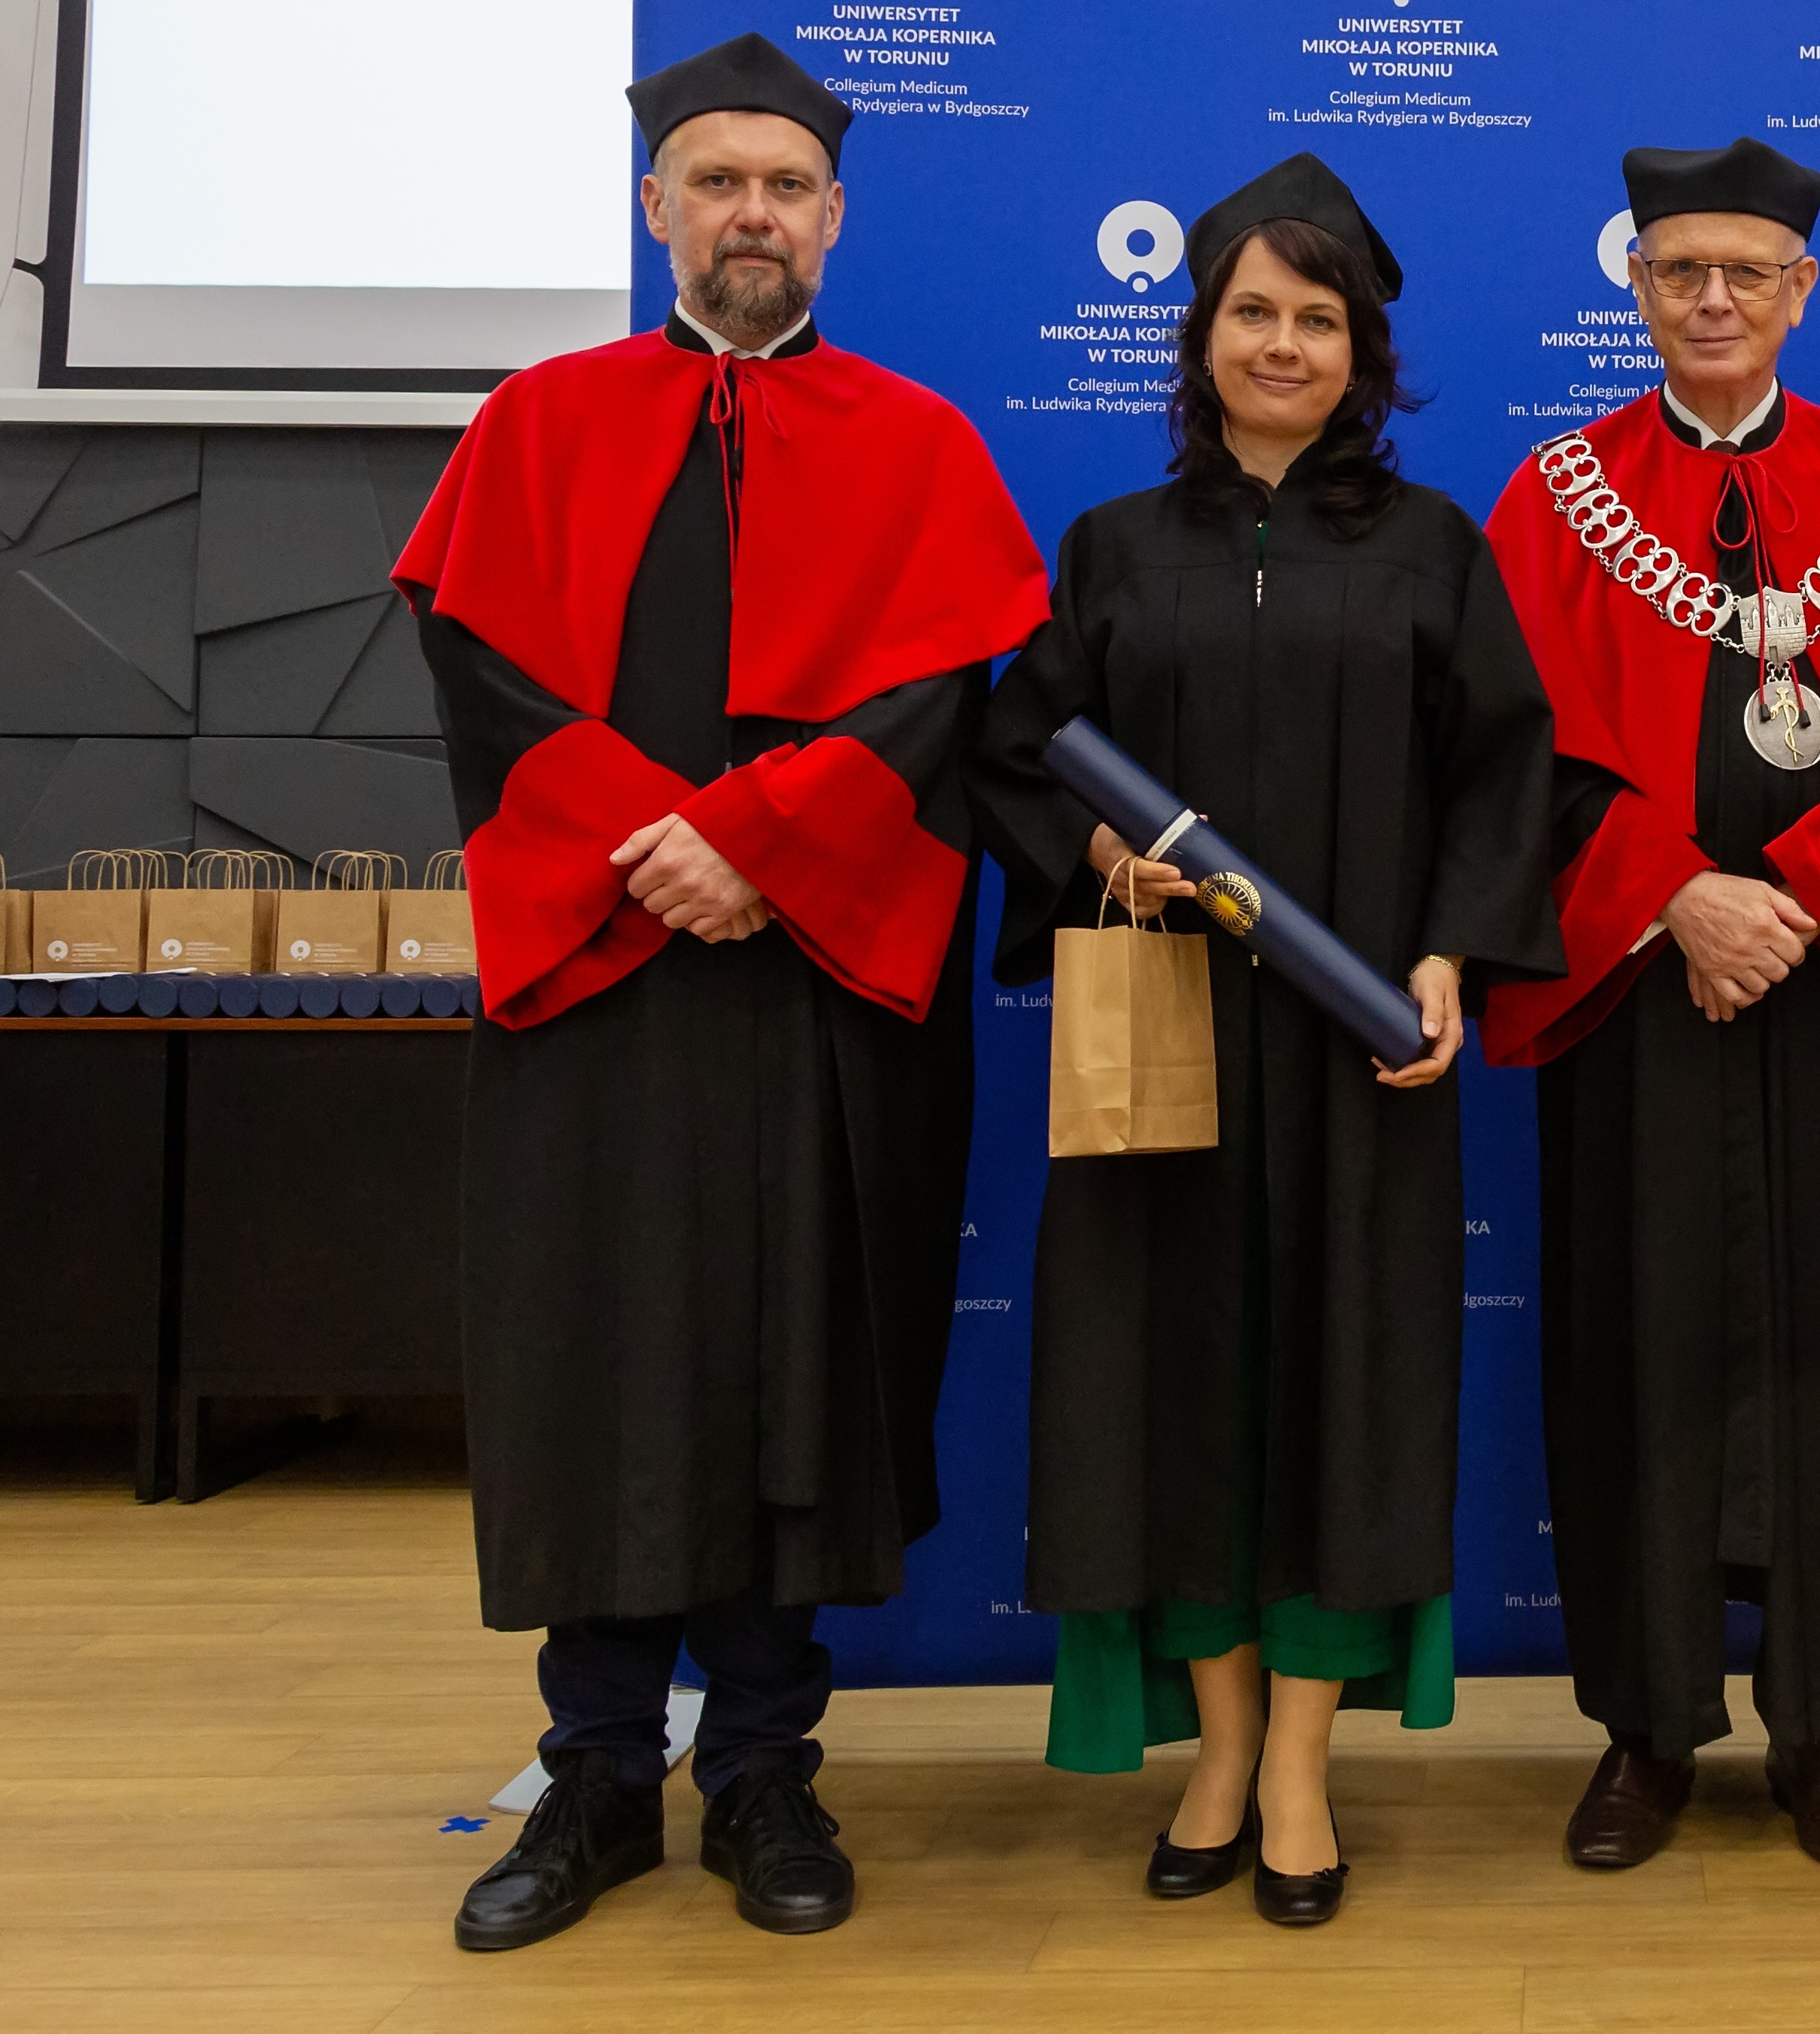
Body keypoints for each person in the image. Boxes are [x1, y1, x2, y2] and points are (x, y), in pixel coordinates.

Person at [394, 34, 1049, 1951]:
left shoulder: (918, 445)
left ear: (833, 218)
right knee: (594, 1351)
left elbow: (937, 704)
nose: (749, 213)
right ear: (656, 207)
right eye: (716, 181)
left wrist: (761, 843)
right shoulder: (538, 424)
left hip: (817, 982)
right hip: (598, 977)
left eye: (783, 185)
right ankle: (597, 1773)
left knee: (799, 1359)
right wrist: (652, 844)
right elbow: (483, 679)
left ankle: (764, 1767)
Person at [968, 153, 1561, 1928]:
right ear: (1201, 333)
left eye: (1317, 317)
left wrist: (1448, 954)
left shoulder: (1434, 547)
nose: (1282, 343)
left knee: (1340, 1391)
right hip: (1166, 1045)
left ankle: (1300, 1765)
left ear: (1360, 349)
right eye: (1251, 311)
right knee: (1172, 1389)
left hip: (1356, 1046)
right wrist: (1101, 856)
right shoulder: (1113, 546)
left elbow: (1505, 776)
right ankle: (1216, 1750)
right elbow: (1016, 755)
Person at [1480, 138, 1820, 1872]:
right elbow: (1511, 753)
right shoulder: (1553, 495)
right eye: (1679, 270)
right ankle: (1644, 1729)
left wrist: (1799, 895)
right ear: (1634, 284)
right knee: (1634, 1347)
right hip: (1640, 992)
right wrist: (1676, 898)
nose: (1712, 299)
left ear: (1800, 290)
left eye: (1745, 273)